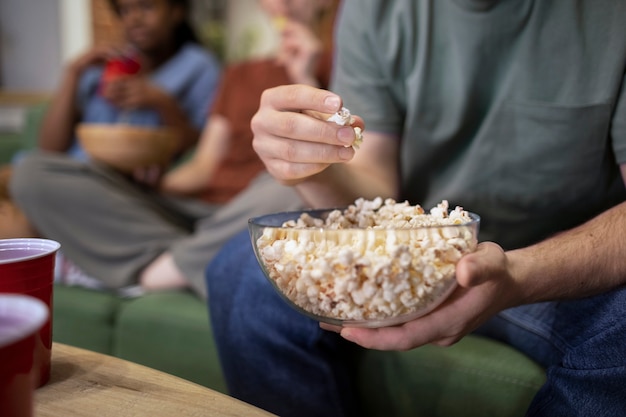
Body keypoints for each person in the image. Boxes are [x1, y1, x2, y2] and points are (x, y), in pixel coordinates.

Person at [205, 1, 626, 416]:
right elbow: (373, 185)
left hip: (561, 267)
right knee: (239, 271)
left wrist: (517, 275)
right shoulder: (374, 11)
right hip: (417, 257)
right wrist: (309, 167)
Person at [10, 0, 339, 298]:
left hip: (259, 208)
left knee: (302, 185)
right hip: (195, 215)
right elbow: (205, 166)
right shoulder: (238, 73)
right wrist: (148, 186)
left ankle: (162, 270)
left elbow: (337, 153)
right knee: (33, 173)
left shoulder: (340, 64)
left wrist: (307, 75)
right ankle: (202, 255)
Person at [0, 0, 221, 240]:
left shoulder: (199, 67)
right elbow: (49, 148)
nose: (134, 19)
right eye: (125, 11)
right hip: (64, 174)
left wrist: (161, 102)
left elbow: (202, 146)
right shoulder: (105, 67)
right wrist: (73, 72)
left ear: (176, 11)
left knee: (19, 199)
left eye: (146, 7)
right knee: (20, 189)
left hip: (114, 184)